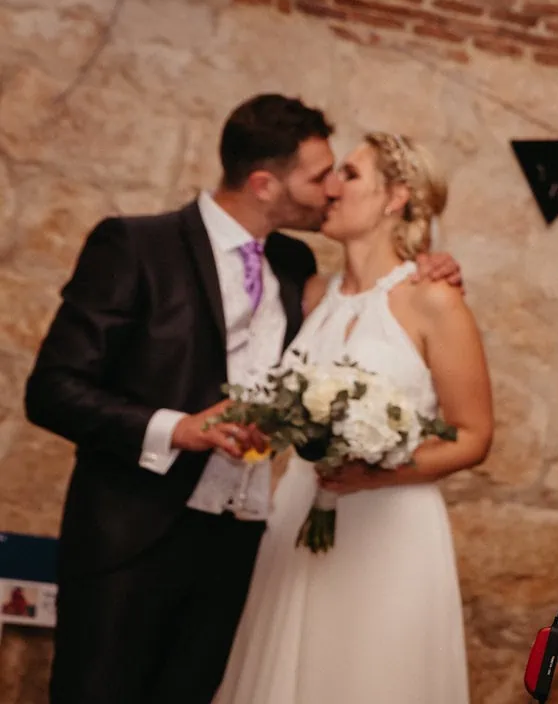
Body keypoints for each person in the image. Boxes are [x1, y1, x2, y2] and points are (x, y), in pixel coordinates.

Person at [23, 94, 462, 704]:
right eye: (320, 176)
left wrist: (431, 262)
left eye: (342, 174)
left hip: (241, 549)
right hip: (133, 537)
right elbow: (51, 390)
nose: (331, 189)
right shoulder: (137, 246)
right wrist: (178, 428)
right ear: (264, 184)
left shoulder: (293, 264)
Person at [214, 131, 493, 704]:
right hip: (299, 509)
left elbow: (474, 436)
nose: (332, 188)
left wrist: (376, 474)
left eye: (350, 173)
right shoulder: (312, 294)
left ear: (396, 197)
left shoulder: (433, 299)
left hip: (390, 524)